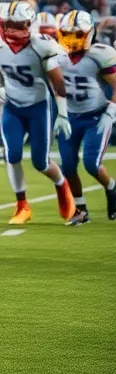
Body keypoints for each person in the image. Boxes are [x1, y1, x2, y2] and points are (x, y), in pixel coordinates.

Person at [0, 0, 75, 225]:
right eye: (9, 24)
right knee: (11, 155)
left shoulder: (42, 45)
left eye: (18, 25)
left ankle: (62, 184)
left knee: (40, 162)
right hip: (12, 106)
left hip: (38, 107)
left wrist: (62, 114)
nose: (12, 30)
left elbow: (58, 84)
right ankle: (22, 205)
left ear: (30, 24)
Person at [53, 11, 116, 223]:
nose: (71, 40)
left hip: (96, 116)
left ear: (89, 33)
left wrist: (111, 112)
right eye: (67, 34)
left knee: (91, 164)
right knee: (68, 166)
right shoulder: (55, 54)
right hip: (69, 115)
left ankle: (111, 187)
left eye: (78, 34)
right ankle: (80, 210)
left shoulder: (100, 54)